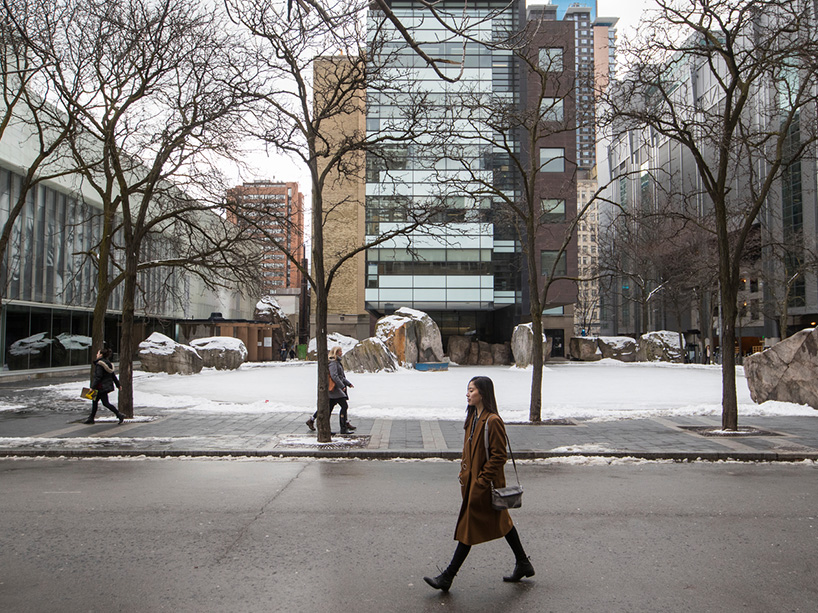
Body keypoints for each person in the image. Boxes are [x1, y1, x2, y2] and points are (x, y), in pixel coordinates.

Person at [424, 375, 534, 592]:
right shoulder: (473, 417)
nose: (468, 393)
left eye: (472, 390)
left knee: (468, 528)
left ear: (482, 393)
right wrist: (464, 474)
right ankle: (523, 562)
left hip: (483, 487)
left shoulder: (492, 421)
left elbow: (499, 456)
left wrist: (482, 481)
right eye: (467, 389)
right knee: (503, 522)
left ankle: (448, 576)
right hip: (472, 484)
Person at [305, 346, 356, 434]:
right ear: (336, 352)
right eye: (340, 351)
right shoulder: (333, 363)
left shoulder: (337, 362)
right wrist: (342, 386)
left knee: (328, 407)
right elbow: (335, 376)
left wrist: (348, 383)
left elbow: (341, 377)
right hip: (334, 389)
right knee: (343, 406)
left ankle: (320, 424)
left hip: (335, 389)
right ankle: (342, 427)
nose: (341, 353)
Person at [83, 348, 125, 425]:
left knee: (105, 403)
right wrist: (118, 385)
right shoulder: (108, 363)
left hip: (100, 387)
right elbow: (113, 375)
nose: (96, 355)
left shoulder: (100, 364)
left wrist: (92, 387)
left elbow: (98, 377)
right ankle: (91, 418)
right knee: (95, 401)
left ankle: (119, 414)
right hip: (104, 386)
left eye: (98, 353)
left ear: (101, 355)